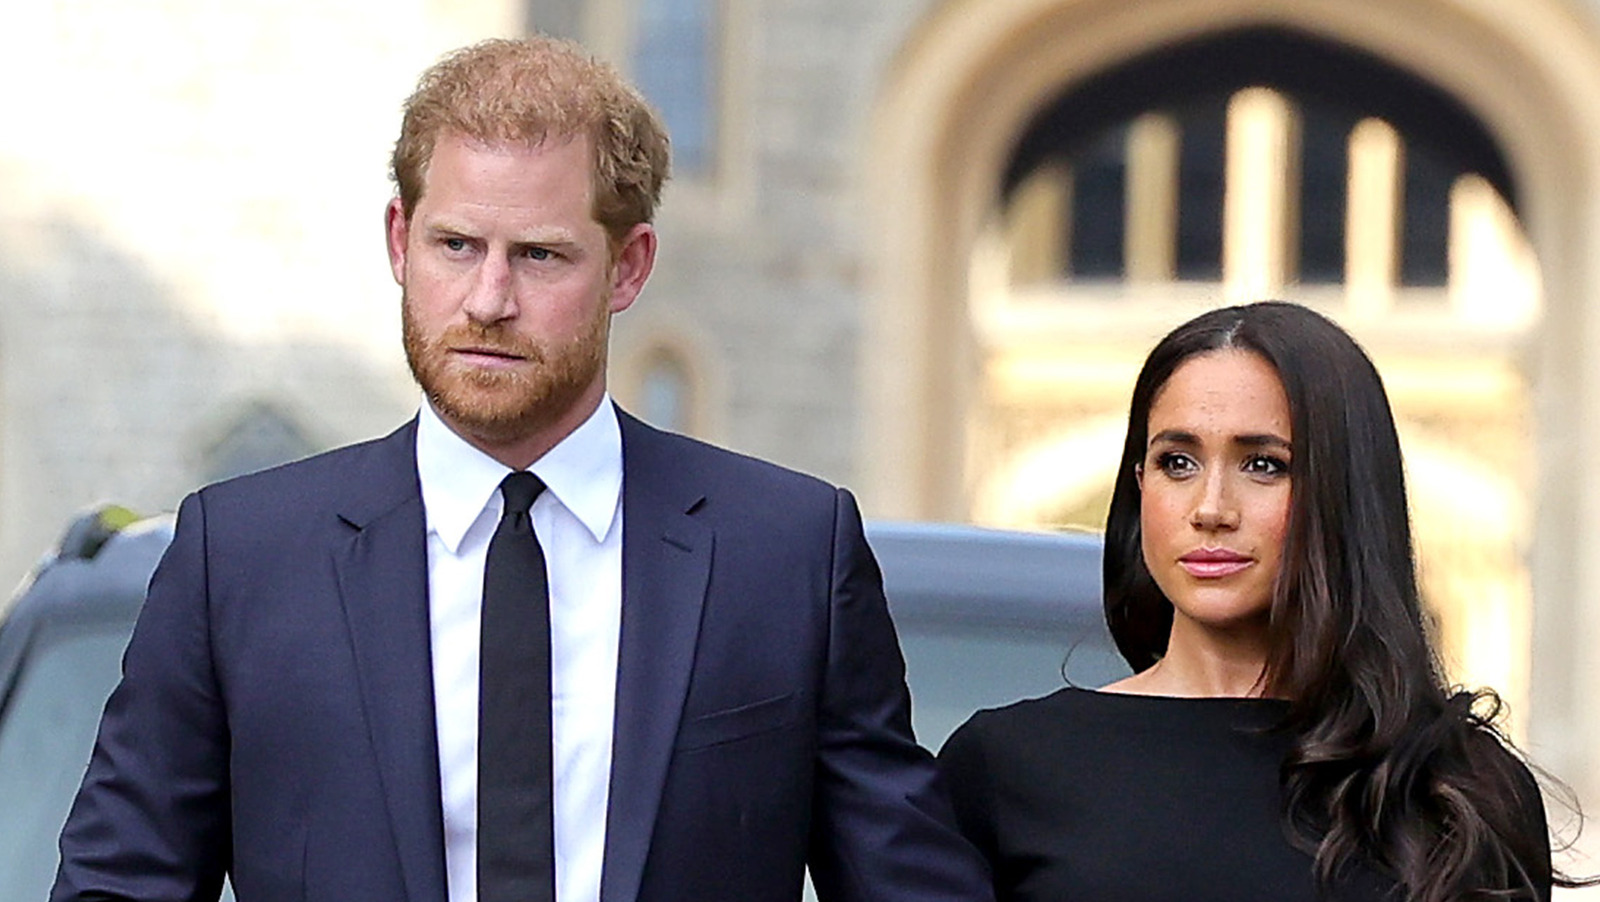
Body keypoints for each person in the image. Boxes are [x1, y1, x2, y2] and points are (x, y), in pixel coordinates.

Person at [51, 36, 992, 902]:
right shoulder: (240, 559)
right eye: (455, 246)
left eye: (540, 256)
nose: (489, 300)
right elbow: (119, 886)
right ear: (397, 241)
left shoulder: (786, 555)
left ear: (629, 268)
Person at [938, 301, 1582, 901]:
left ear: (1344, 494)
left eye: (1264, 465)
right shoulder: (1007, 765)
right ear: (1139, 487)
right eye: (1177, 462)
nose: (1211, 509)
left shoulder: (1457, 788)